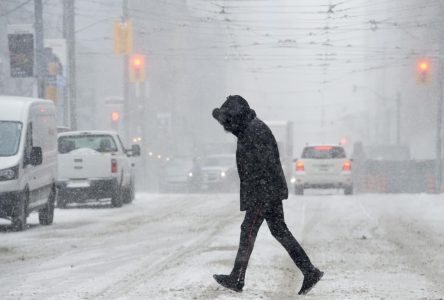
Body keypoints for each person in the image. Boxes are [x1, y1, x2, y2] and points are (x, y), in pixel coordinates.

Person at [212, 95, 323, 295]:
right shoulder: (250, 128)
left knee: (248, 231)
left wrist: (259, 194)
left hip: (262, 192)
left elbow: (263, 165)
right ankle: (309, 271)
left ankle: (237, 278)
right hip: (267, 190)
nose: (227, 127)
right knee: (279, 231)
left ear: (237, 116)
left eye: (229, 120)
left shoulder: (254, 132)